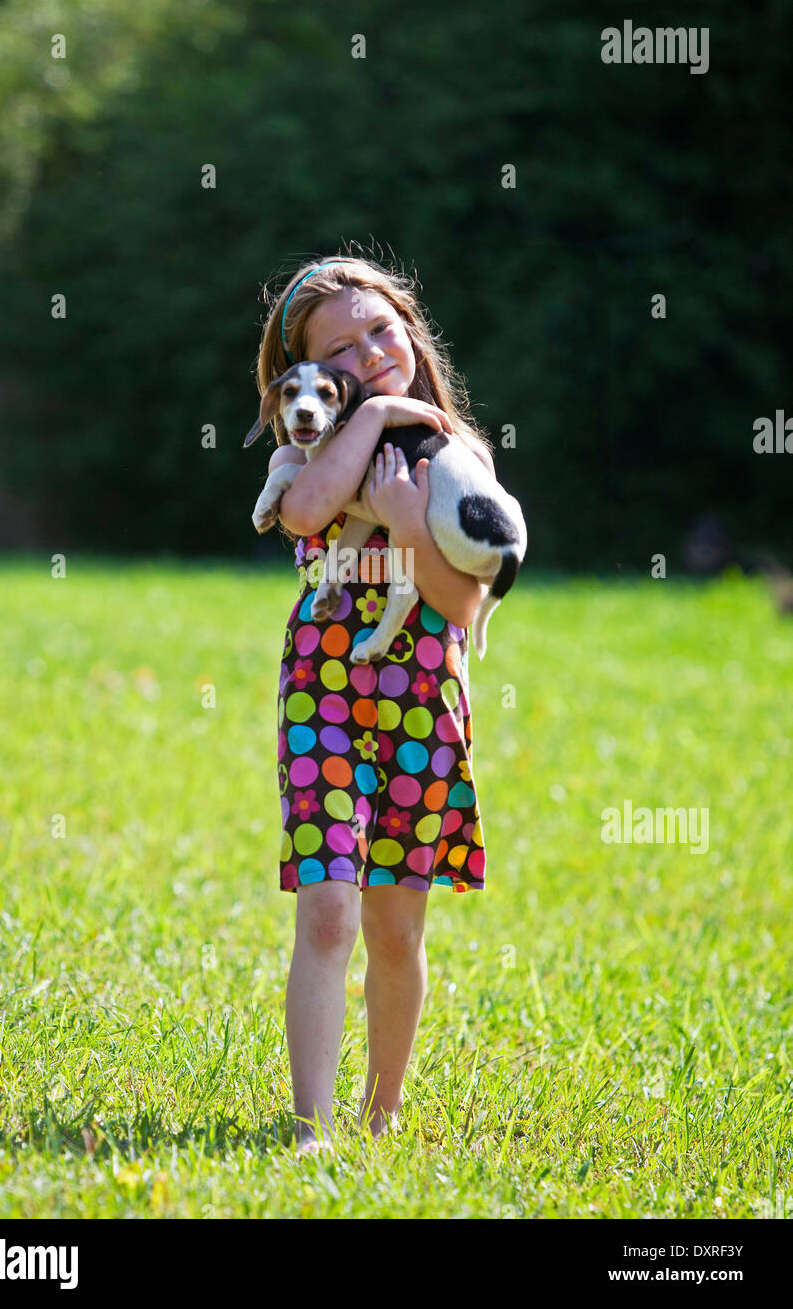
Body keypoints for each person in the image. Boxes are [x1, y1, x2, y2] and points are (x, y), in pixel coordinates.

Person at [253, 253, 499, 1154]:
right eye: (342, 351)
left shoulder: (457, 452)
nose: (370, 353)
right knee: (329, 908)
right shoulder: (316, 444)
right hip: (324, 685)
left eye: (380, 332)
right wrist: (382, 414)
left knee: (396, 927)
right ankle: (312, 1128)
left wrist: (402, 523)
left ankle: (382, 1112)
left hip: (421, 700)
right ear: (310, 378)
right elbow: (312, 510)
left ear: (410, 328)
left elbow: (466, 602)